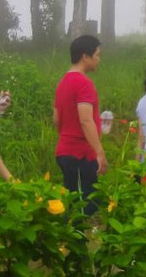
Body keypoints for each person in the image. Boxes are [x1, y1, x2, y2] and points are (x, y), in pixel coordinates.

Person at [54, 35, 109, 214]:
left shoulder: (63, 82)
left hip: (64, 151)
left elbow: (57, 119)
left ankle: (69, 231)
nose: (99, 59)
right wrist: (99, 152)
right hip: (81, 154)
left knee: (73, 202)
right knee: (88, 207)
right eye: (97, 55)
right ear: (85, 56)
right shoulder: (84, 83)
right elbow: (85, 120)